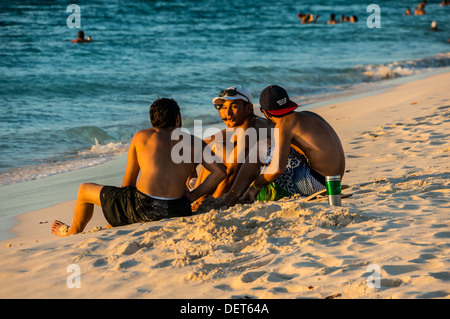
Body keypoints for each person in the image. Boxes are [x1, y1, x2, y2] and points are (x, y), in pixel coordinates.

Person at [51, 98, 227, 237]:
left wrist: (118, 210)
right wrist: (193, 195)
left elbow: (128, 183)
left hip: (142, 208)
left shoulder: (141, 137)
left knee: (84, 190)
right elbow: (219, 172)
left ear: (152, 121)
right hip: (178, 209)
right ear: (177, 118)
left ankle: (72, 232)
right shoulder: (194, 142)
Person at [218, 85, 345, 207]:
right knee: (269, 145)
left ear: (265, 113)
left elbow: (277, 169)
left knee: (259, 148)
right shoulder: (309, 115)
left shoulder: (284, 124)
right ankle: (234, 195)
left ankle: (231, 198)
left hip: (317, 184)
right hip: (334, 182)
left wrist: (255, 186)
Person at [190, 85, 273, 206]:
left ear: (249, 108)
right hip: (267, 176)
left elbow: (232, 171)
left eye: (234, 107)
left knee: (218, 148)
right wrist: (192, 164)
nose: (227, 113)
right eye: (223, 107)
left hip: (266, 184)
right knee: (215, 148)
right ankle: (199, 189)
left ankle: (199, 199)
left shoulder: (250, 126)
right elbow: (209, 140)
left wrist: (216, 202)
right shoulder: (251, 123)